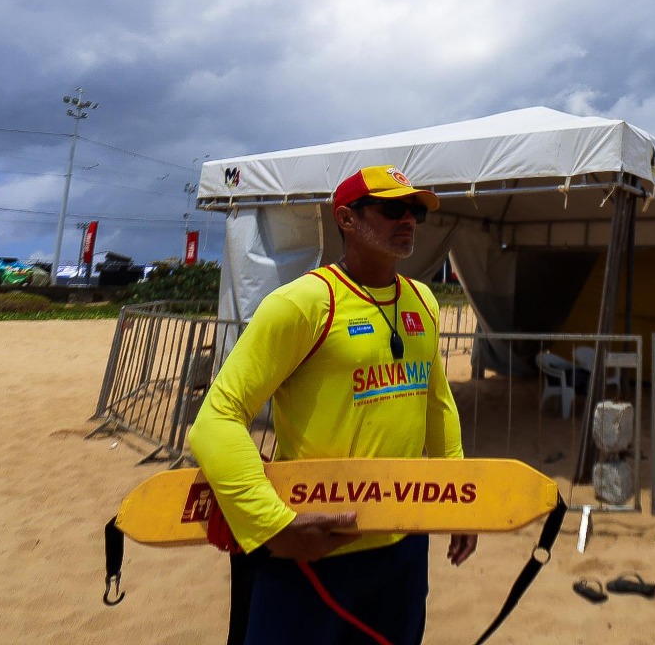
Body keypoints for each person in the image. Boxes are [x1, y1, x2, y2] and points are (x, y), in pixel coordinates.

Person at [189, 165, 475, 645]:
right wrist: (275, 526)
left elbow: (436, 404)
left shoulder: (423, 299)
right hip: (313, 547)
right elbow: (215, 420)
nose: (407, 220)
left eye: (414, 212)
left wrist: (462, 503)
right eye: (391, 209)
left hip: (404, 541)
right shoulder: (302, 303)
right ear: (346, 218)